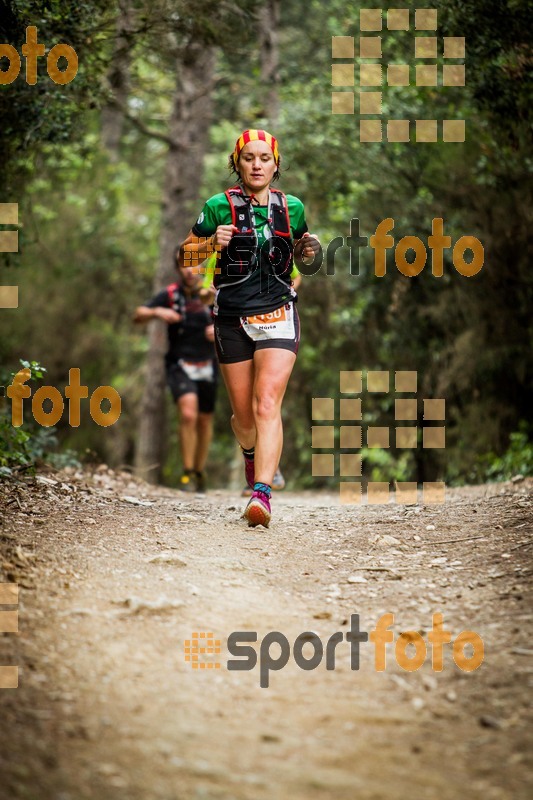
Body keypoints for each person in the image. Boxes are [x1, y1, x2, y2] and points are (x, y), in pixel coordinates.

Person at [179, 128, 320, 527]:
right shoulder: (216, 206)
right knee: (243, 419)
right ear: (237, 163)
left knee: (266, 404)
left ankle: (262, 494)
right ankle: (250, 455)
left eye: (265, 158)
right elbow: (185, 254)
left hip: (277, 312)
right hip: (230, 318)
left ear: (276, 165)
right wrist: (211, 243)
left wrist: (310, 253)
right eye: (248, 158)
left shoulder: (292, 207)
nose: (257, 165)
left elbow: (302, 259)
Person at [133, 253, 217, 493]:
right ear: (178, 269)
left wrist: (218, 329)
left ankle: (199, 471)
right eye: (184, 265)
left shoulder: (213, 292)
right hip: (179, 363)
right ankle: (187, 471)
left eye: (194, 264)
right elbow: (138, 314)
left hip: (208, 363)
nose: (189, 270)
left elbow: (239, 320)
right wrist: (158, 313)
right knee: (188, 413)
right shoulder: (170, 295)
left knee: (204, 419)